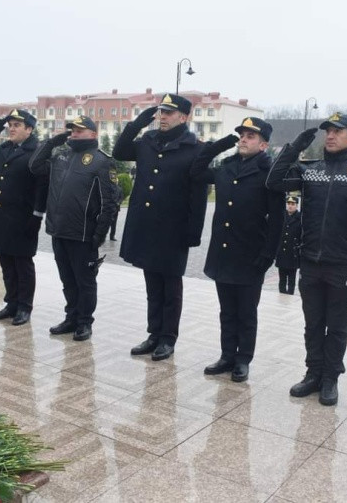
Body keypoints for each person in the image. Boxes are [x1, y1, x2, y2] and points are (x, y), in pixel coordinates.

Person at [266, 112, 347, 406]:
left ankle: (331, 377)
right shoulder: (311, 171)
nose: (331, 136)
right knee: (312, 324)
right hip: (310, 262)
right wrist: (294, 147)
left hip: (344, 265)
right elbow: (273, 181)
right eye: (327, 131)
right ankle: (313, 373)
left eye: (338, 131)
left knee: (336, 325)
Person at [112, 93, 208, 361]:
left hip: (173, 229)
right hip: (146, 224)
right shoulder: (147, 141)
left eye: (169, 113)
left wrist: (193, 232)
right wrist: (136, 124)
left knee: (170, 286)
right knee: (152, 283)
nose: (162, 117)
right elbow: (119, 152)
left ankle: (168, 338)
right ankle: (153, 333)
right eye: (161, 112)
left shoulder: (195, 148)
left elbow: (198, 195)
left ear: (183, 117)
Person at [190, 117, 284, 382]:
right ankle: (227, 355)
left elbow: (278, 219)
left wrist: (268, 255)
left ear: (263, 144)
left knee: (246, 312)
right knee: (227, 310)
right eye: (242, 134)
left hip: (250, 254)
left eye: (250, 136)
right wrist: (216, 147)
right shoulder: (227, 166)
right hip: (224, 251)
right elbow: (196, 172)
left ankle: (243, 359)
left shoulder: (269, 174)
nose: (243, 139)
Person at [29, 115, 116, 341]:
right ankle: (71, 317)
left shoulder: (102, 161)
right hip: (59, 230)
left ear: (93, 134)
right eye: (72, 130)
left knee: (85, 282)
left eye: (79, 130)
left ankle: (85, 322)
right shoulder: (61, 156)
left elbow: (110, 202)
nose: (74, 134)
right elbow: (35, 166)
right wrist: (51, 142)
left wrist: (99, 234)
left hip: (84, 234)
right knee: (67, 280)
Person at [0, 109, 47, 326]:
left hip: (22, 218)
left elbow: (41, 187)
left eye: (17, 125)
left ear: (29, 129)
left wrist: (37, 216)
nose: (11, 128)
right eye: (9, 125)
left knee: (23, 265)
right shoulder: (3, 149)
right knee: (7, 265)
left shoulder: (36, 152)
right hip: (1, 217)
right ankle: (11, 303)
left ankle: (24, 307)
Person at [276, 196, 301, 294]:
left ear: (296, 205)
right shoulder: (282, 216)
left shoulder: (300, 218)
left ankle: (290, 296)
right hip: (282, 253)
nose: (290, 206)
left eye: (293, 204)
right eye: (289, 204)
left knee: (291, 281)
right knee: (281, 280)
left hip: (292, 254)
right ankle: (282, 297)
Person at [107, 170, 124, 241]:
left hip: (116, 208)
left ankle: (112, 236)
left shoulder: (119, 189)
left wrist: (119, 202)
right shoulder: (109, 188)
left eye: (116, 180)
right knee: (106, 223)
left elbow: (121, 197)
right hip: (109, 208)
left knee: (114, 224)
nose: (115, 181)